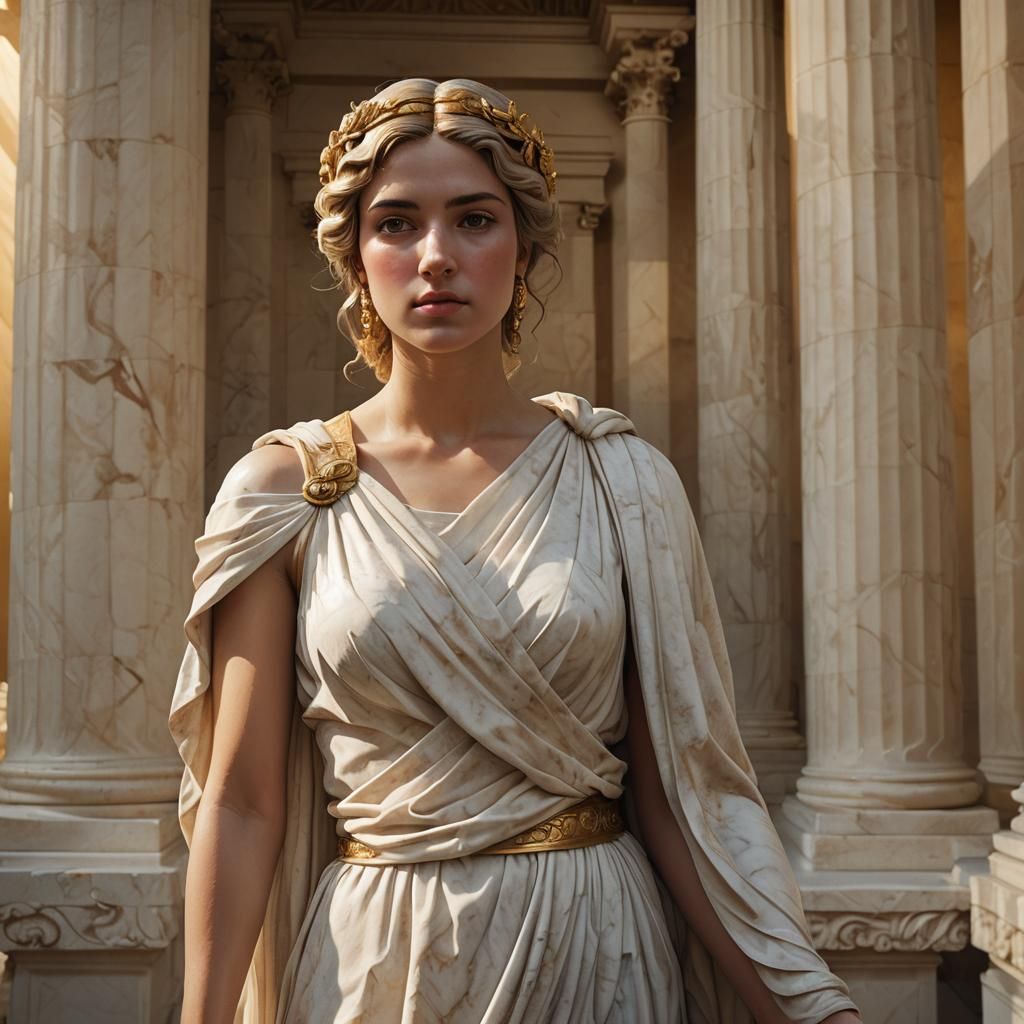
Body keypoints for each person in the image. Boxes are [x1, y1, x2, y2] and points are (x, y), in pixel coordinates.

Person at [168, 77, 863, 1024]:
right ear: (354, 255)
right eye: (398, 224)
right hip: (378, 962)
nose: (437, 257)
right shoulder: (288, 489)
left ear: (526, 248)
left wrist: (803, 1005)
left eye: (475, 220)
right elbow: (244, 806)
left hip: (595, 948)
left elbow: (688, 797)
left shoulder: (623, 481)